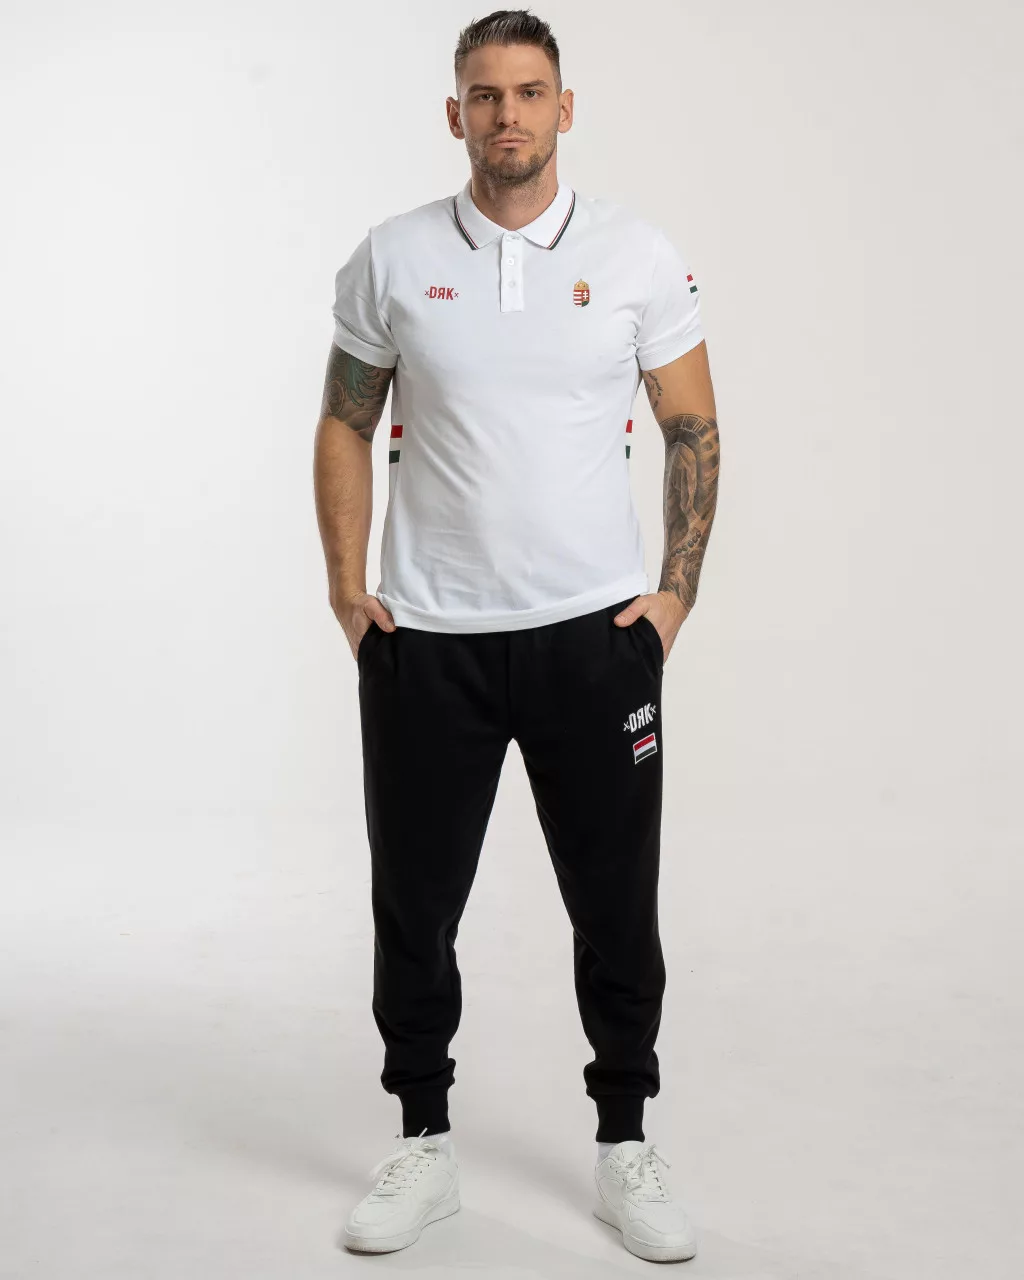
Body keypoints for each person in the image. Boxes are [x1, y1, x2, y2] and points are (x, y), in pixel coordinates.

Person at [313, 8, 720, 1264]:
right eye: (485, 95)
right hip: (428, 640)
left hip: (594, 640)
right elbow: (344, 420)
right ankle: (423, 1142)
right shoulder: (391, 257)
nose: (507, 115)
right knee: (413, 905)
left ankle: (623, 1142)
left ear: (564, 107)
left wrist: (671, 600)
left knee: (616, 904)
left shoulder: (636, 254)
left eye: (529, 92)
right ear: (456, 114)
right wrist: (347, 590)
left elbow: (692, 427)